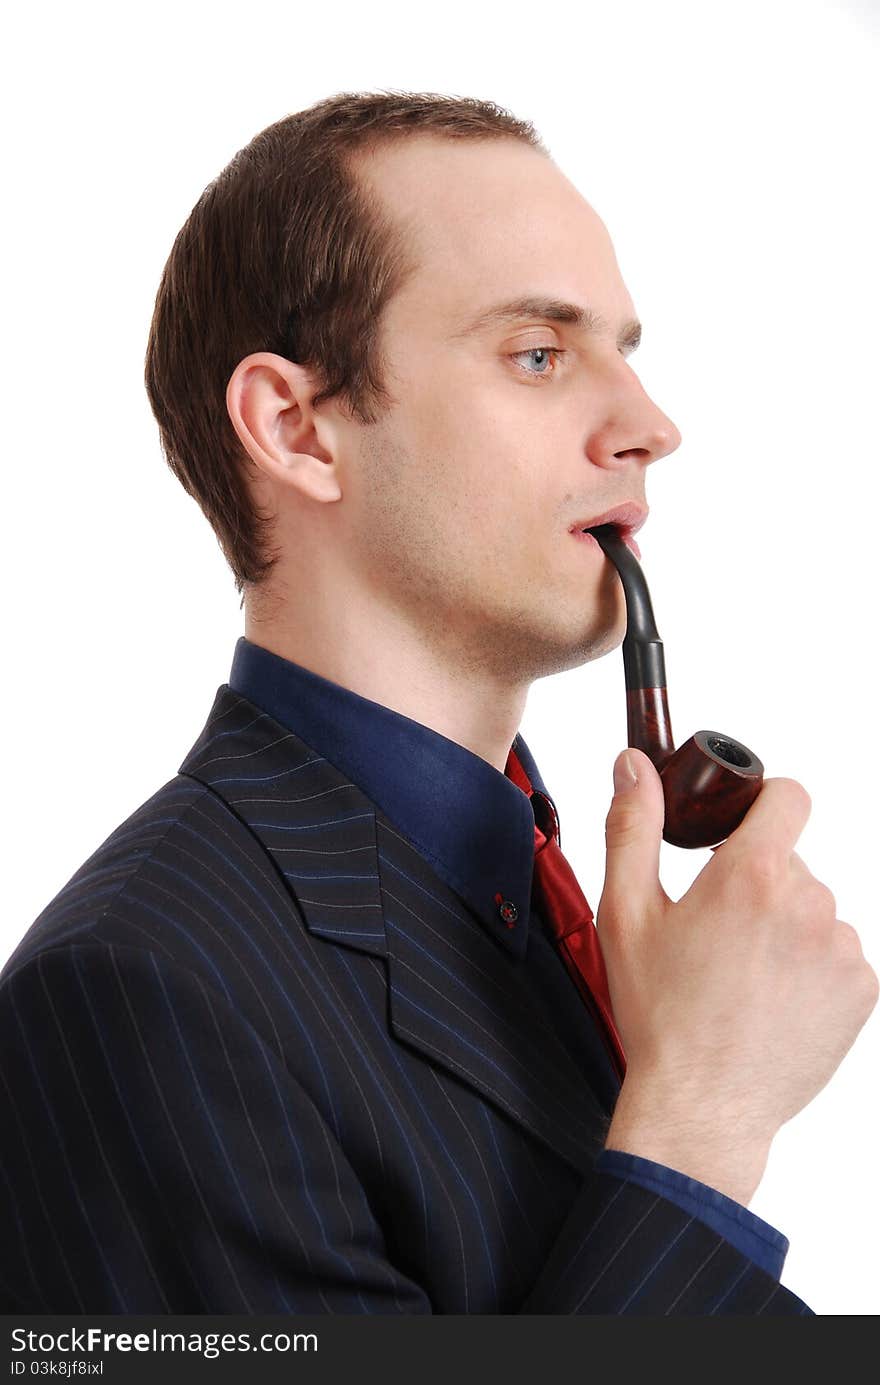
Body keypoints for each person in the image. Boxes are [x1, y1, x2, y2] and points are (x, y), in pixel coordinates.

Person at [1, 90, 875, 1316]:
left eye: (626, 350)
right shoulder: (139, 988)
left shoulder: (529, 910)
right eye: (537, 352)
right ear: (299, 428)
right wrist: (699, 1123)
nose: (649, 426)